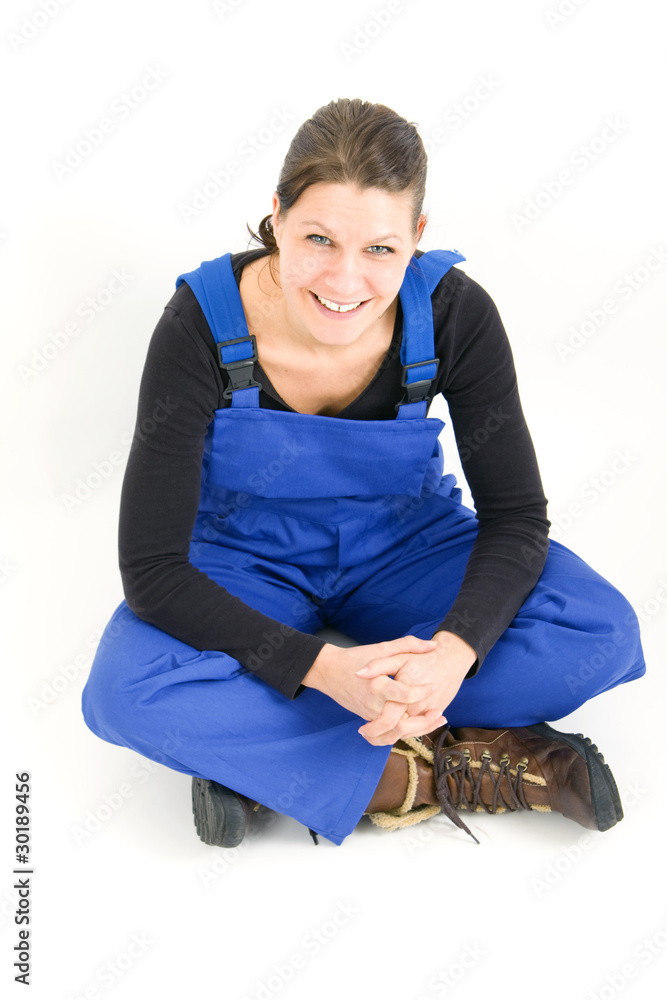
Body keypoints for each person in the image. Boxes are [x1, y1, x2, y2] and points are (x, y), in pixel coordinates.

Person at [81, 98, 645, 849]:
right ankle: (451, 768)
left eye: (380, 248)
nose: (345, 279)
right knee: (126, 691)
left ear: (416, 236)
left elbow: (516, 518)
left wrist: (453, 653)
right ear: (277, 217)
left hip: (407, 547)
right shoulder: (198, 323)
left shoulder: (454, 314)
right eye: (318, 238)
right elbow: (152, 570)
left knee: (598, 631)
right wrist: (320, 666)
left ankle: (263, 758)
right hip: (245, 560)